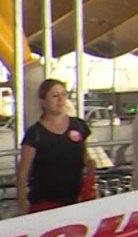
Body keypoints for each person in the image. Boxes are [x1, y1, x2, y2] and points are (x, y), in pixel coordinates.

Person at [15, 79, 94, 213]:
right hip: (45, 204)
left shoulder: (78, 125)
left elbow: (85, 157)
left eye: (63, 95)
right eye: (54, 96)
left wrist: (91, 169)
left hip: (76, 202)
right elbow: (23, 173)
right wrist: (22, 205)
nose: (60, 99)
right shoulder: (35, 133)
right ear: (43, 102)